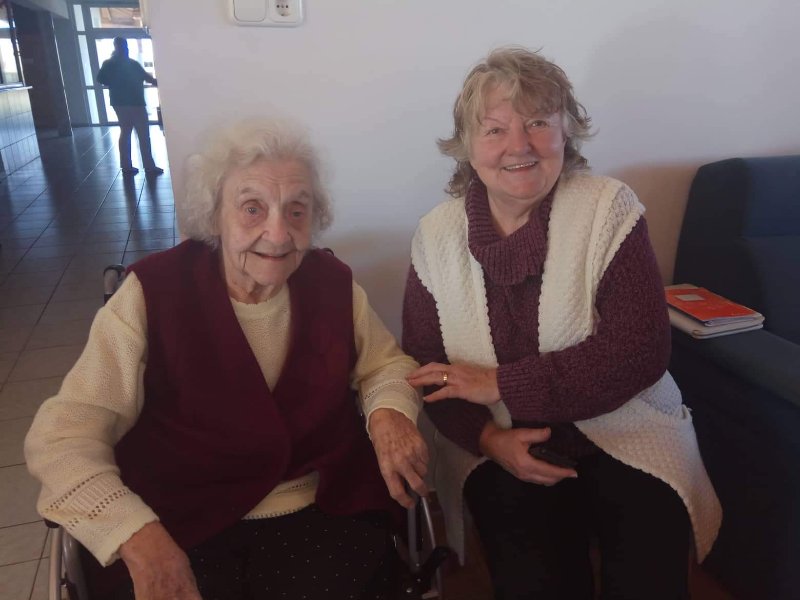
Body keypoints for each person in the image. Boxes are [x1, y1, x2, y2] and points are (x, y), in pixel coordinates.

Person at [25, 118, 429, 600]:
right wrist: (135, 534)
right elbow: (63, 438)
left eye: (297, 210)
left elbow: (385, 365)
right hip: (178, 520)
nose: (278, 234)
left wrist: (388, 413)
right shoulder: (152, 293)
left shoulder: (332, 283)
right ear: (213, 214)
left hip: (322, 510)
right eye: (252, 209)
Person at [402, 47, 722, 600]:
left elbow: (641, 349)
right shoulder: (435, 236)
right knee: (533, 582)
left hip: (628, 428)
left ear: (565, 131)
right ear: (467, 146)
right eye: (495, 129)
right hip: (501, 439)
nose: (519, 145)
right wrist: (488, 439)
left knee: (649, 576)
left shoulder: (609, 208)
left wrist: (500, 382)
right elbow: (428, 368)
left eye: (537, 123)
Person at [97, 37, 164, 176]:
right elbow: (148, 78)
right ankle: (149, 166)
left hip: (119, 102)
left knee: (126, 132)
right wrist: (164, 83)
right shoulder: (132, 64)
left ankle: (127, 166)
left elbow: (101, 79)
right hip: (136, 102)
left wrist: (114, 84)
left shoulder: (109, 64)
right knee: (143, 135)